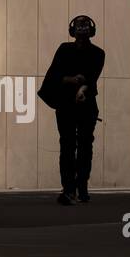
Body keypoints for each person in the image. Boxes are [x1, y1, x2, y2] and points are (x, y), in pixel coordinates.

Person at [37, 15, 105, 204]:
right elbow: (54, 76)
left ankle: (78, 188)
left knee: (80, 146)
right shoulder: (66, 50)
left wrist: (81, 88)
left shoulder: (98, 54)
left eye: (83, 32)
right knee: (71, 145)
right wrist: (72, 81)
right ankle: (71, 188)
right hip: (68, 104)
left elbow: (91, 79)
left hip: (83, 105)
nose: (81, 37)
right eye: (79, 32)